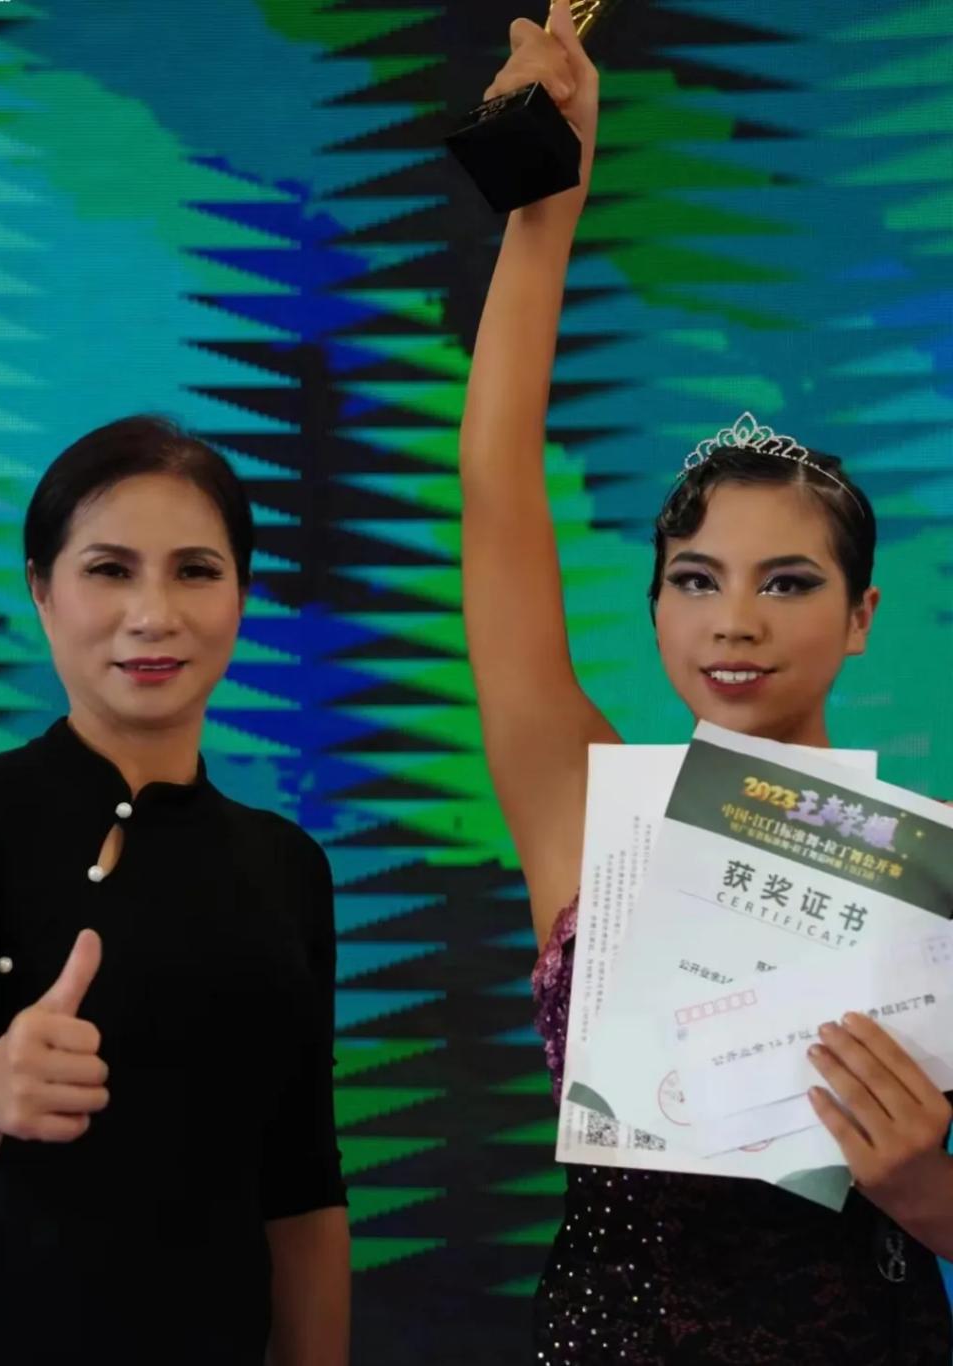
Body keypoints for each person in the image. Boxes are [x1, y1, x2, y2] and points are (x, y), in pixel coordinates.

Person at [458, 3, 953, 1361]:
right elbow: (495, 487)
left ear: (861, 617)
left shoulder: (929, 881)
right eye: (695, 578)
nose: (735, 621)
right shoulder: (581, 807)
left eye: (786, 582)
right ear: (657, 604)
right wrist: (549, 197)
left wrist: (930, 1193)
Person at [0, 416, 350, 1366]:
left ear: (242, 593)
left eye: (195, 571)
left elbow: (301, 1185)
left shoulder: (288, 866)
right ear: (42, 590)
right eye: (109, 570)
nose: (153, 615)